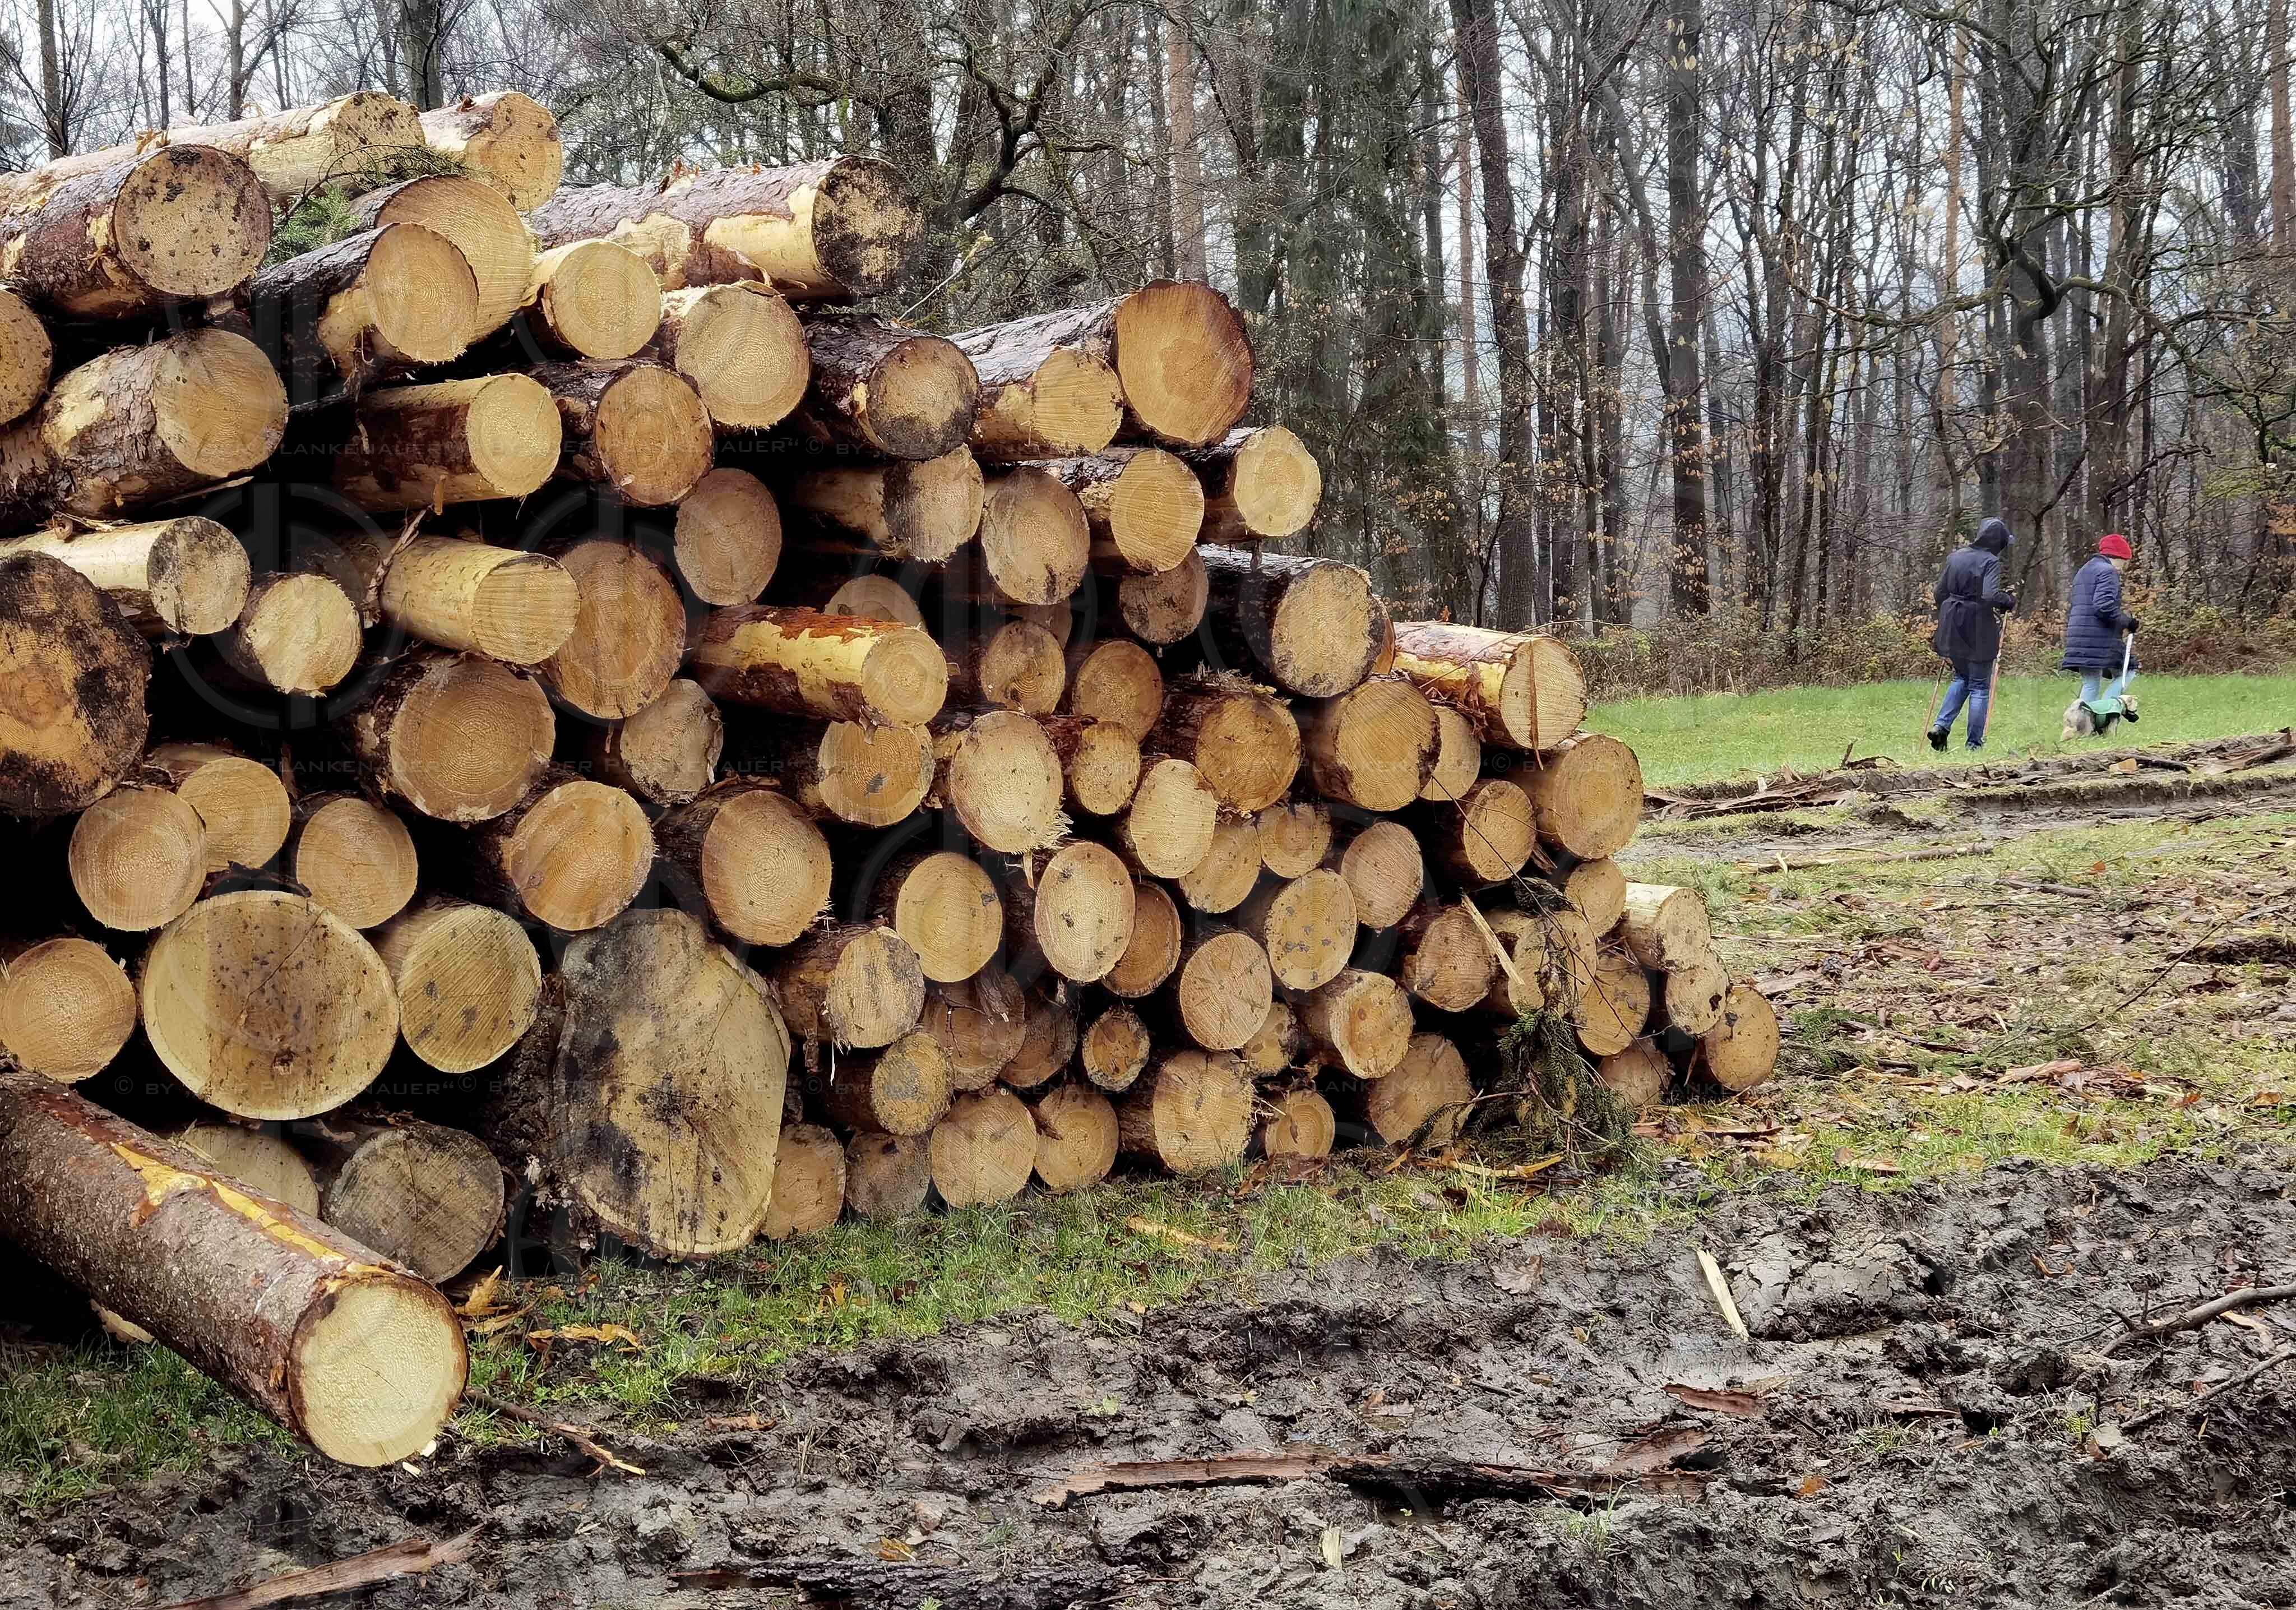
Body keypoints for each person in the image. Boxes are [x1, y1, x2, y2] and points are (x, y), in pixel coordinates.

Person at [1926, 517, 2017, 752]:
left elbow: (1940, 593)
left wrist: (1948, 615)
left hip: (1952, 622)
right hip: (1977, 626)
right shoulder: (1991, 561)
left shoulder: (1956, 556)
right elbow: (1989, 596)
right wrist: (2007, 600)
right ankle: (1974, 744)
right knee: (1979, 685)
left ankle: (1941, 727)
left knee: (1961, 678)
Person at [2061, 532, 2140, 736]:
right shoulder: (2108, 572)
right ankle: (2105, 713)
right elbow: (2103, 607)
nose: (2124, 568)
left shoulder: (2084, 571)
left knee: (2091, 682)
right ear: (2120, 557)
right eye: (2126, 562)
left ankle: (2081, 726)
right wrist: (2127, 622)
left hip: (2079, 635)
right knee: (2128, 670)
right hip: (2099, 637)